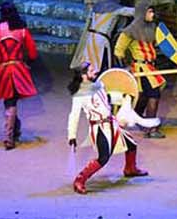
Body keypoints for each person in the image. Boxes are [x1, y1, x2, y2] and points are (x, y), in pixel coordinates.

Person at [66, 62, 156, 194]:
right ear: (83, 76)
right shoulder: (80, 95)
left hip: (111, 123)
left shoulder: (98, 85)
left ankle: (130, 169)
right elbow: (74, 115)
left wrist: (124, 97)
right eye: (91, 71)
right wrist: (72, 135)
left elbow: (107, 98)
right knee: (103, 158)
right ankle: (80, 180)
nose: (95, 72)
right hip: (99, 128)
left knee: (131, 144)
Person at [0, 3, 39, 150]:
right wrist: (26, 62)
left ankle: (9, 136)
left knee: (9, 102)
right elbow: (33, 54)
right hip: (19, 69)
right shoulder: (22, 30)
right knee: (12, 102)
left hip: (3, 70)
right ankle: (13, 130)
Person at [114, 5, 168, 138]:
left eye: (152, 12)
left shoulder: (149, 28)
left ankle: (138, 119)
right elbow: (118, 51)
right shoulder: (129, 31)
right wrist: (126, 69)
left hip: (150, 67)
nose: (152, 14)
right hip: (141, 69)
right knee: (154, 94)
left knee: (143, 96)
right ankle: (151, 128)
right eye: (149, 12)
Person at [73, 0, 132, 73]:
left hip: (91, 37)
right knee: (101, 63)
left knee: (88, 60)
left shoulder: (97, 6)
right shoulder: (114, 8)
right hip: (102, 39)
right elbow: (130, 12)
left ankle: (85, 76)